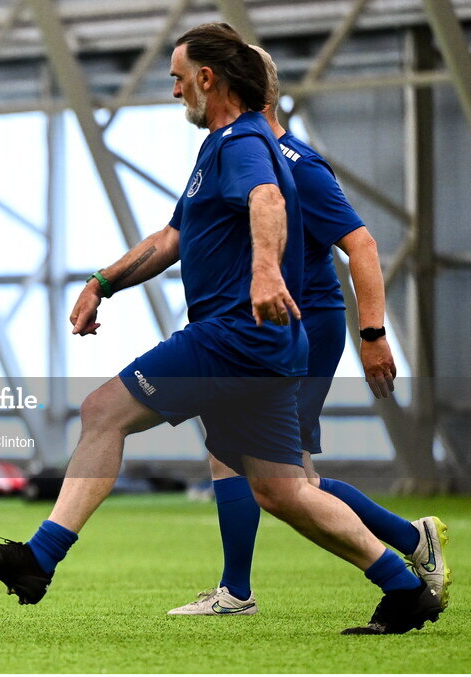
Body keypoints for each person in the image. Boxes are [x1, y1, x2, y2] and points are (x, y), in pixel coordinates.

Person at [0, 23, 443, 635]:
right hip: (265, 346)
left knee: (103, 411)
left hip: (232, 336)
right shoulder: (222, 145)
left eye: (178, 79)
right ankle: (402, 585)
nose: (173, 91)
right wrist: (101, 283)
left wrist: (266, 273)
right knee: (282, 488)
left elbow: (267, 200)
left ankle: (39, 560)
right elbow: (172, 238)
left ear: (207, 79)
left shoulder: (239, 142)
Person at [167, 45, 450, 617]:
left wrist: (373, 334)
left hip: (302, 323)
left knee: (278, 472)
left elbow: (362, 244)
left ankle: (249, 588)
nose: (181, 90)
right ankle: (243, 586)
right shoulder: (236, 152)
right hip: (259, 326)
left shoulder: (295, 161)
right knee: (251, 460)